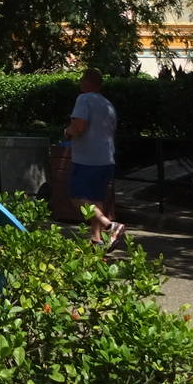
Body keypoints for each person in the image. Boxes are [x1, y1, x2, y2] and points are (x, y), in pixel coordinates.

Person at [63, 66, 123, 250]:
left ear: (88, 82)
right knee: (96, 200)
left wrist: (67, 131)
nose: (80, 82)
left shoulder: (84, 99)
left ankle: (109, 225)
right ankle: (96, 239)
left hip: (86, 159)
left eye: (82, 79)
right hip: (106, 159)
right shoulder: (107, 104)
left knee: (77, 196)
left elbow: (79, 127)